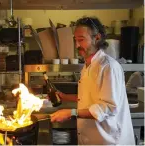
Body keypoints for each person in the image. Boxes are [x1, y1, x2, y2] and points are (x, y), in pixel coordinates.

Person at [50, 16, 135, 145]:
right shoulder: (87, 66)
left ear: (97, 38)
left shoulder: (108, 67)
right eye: (75, 40)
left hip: (108, 139)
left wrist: (71, 112)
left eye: (81, 40)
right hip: (91, 137)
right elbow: (90, 97)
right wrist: (65, 97)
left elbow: (107, 107)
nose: (77, 45)